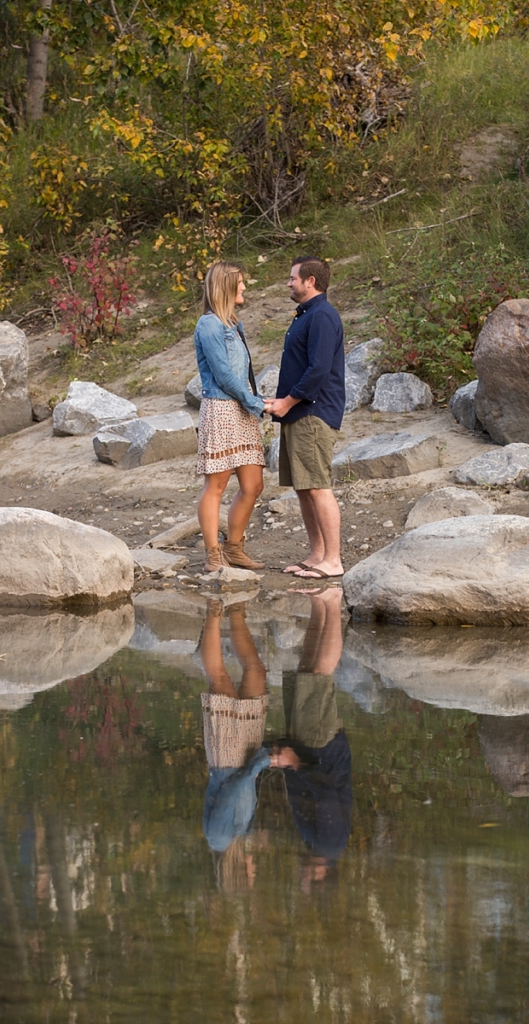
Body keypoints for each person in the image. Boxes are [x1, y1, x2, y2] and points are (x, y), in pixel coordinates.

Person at [264, 256, 345, 580]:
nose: (289, 283)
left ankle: (333, 560)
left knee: (317, 485)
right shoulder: (307, 314)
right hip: (298, 411)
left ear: (310, 281)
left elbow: (319, 370)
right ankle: (317, 555)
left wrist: (288, 401)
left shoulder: (323, 316)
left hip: (313, 412)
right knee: (303, 486)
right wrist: (283, 403)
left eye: (293, 278)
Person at [269, 588, 352, 890]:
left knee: (306, 671)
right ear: (321, 875)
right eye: (305, 881)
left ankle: (321, 603)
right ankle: (332, 603)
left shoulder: (316, 844)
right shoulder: (329, 846)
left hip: (309, 748)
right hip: (320, 749)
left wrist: (285, 761)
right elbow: (327, 795)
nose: (299, 876)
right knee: (319, 675)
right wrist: (296, 764)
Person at [194, 261, 266, 573]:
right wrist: (255, 402)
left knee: (253, 485)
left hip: (243, 409)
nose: (244, 288)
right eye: (240, 283)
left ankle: (234, 548)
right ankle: (213, 553)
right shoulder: (208, 325)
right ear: (225, 286)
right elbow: (223, 375)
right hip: (222, 409)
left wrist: (256, 401)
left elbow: (242, 372)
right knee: (217, 485)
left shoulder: (233, 324)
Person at [199, 598, 270, 892]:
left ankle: (214, 610)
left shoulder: (217, 838)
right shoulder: (240, 838)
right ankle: (236, 609)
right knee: (256, 672)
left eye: (251, 873)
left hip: (227, 758)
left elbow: (229, 794)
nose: (254, 868)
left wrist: (259, 764)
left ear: (238, 871)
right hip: (248, 753)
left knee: (220, 678)